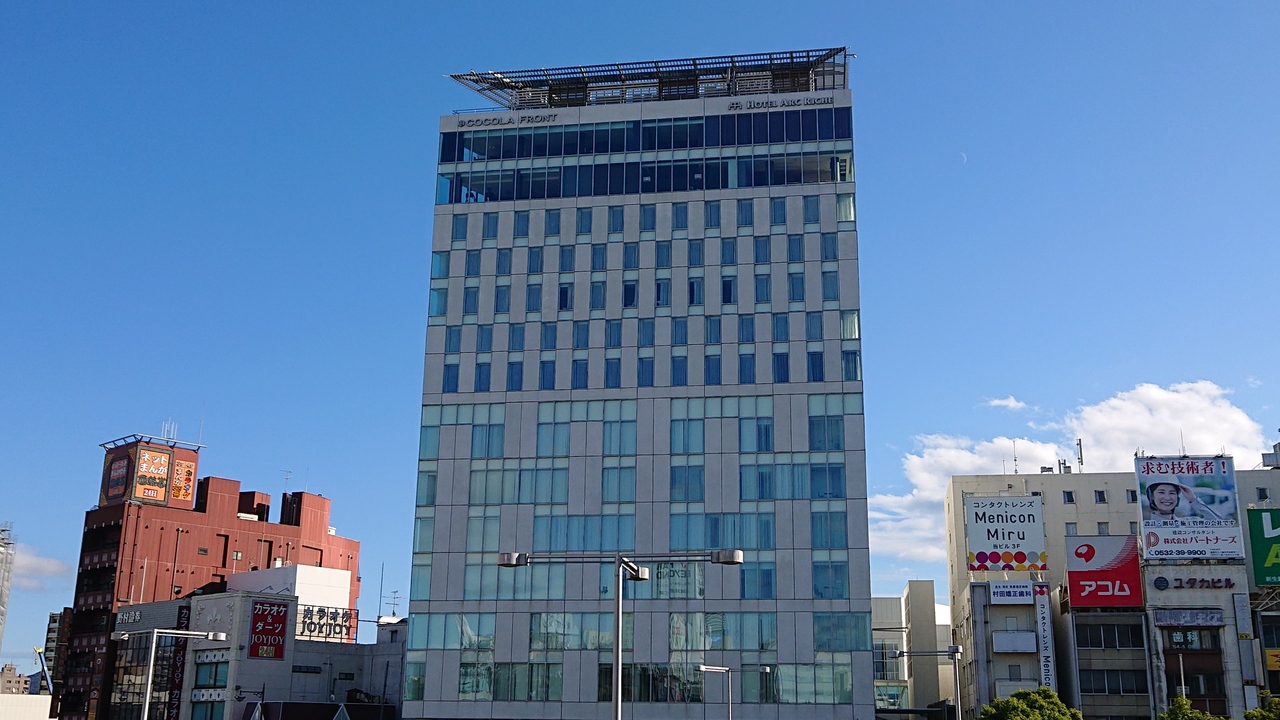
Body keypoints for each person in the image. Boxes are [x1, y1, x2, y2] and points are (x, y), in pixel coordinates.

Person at [1145, 480, 1223, 523]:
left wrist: (1193, 499)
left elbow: (1219, 523)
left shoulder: (1187, 523)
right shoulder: (1146, 527)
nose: (1167, 498)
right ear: (1151, 496)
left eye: (1172, 493)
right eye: (1161, 492)